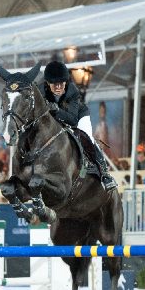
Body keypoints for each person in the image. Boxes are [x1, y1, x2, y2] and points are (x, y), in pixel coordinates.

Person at [39, 60, 116, 191]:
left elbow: (72, 120)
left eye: (61, 84)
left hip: (78, 116)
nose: (58, 87)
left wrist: (56, 111)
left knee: (87, 138)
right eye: (54, 84)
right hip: (55, 118)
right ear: (47, 83)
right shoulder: (40, 91)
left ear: (65, 82)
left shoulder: (72, 91)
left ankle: (104, 174)